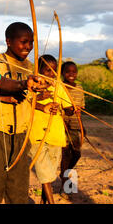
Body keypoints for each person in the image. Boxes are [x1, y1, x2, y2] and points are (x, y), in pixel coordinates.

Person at [0, 22, 49, 204]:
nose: (28, 47)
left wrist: (41, 96)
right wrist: (4, 99)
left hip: (21, 136)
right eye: (23, 42)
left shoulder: (32, 68)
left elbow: (28, 100)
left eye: (31, 42)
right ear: (8, 41)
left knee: (18, 192)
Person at [29, 55, 75, 204]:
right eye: (47, 70)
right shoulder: (31, 84)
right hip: (37, 135)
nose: (51, 74)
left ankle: (44, 202)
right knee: (44, 174)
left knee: (48, 174)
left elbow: (67, 109)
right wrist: (41, 99)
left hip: (55, 135)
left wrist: (72, 110)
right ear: (38, 69)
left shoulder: (58, 86)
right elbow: (25, 101)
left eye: (54, 71)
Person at [59, 61, 85, 200]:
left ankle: (64, 174)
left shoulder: (80, 88)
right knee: (65, 155)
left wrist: (82, 127)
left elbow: (80, 110)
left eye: (74, 71)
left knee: (76, 154)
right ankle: (66, 186)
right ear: (62, 73)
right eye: (68, 71)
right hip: (62, 126)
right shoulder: (60, 87)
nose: (71, 74)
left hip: (75, 126)